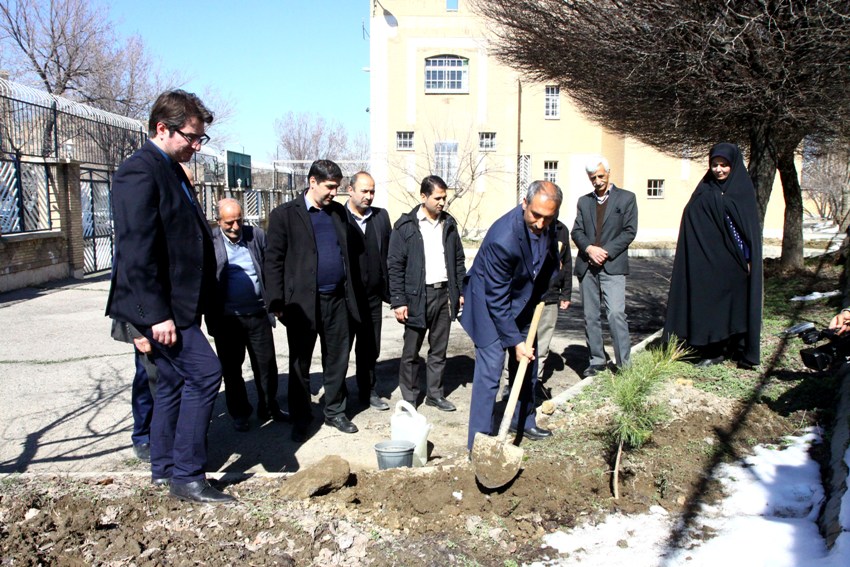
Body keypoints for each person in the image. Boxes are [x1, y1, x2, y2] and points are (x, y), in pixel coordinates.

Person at [105, 90, 233, 503]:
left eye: (201, 139)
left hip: (181, 305)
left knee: (175, 380)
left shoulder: (172, 169)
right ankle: (188, 477)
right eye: (191, 137)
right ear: (163, 128)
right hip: (162, 308)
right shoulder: (139, 171)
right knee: (206, 373)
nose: (196, 146)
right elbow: (136, 251)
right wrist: (155, 315)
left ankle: (163, 467)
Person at [265, 159, 361, 441]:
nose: (335, 192)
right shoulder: (285, 214)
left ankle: (335, 412)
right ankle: (301, 416)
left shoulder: (338, 213)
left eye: (338, 187)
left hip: (337, 300)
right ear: (313, 182)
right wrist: (277, 302)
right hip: (302, 305)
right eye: (330, 187)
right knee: (300, 363)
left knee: (338, 358)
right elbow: (273, 261)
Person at [462, 180, 562, 448]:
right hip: (488, 303)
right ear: (524, 204)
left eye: (548, 218)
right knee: (490, 371)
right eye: (536, 216)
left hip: (525, 299)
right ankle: (479, 442)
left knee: (527, 363)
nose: (541, 224)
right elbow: (496, 298)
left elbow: (548, 258)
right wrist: (514, 341)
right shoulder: (502, 238)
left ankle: (524, 420)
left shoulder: (549, 225)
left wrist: (550, 282)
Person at [663, 143, 763, 368]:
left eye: (724, 165)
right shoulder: (705, 188)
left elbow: (746, 230)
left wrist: (749, 259)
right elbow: (691, 216)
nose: (719, 170)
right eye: (715, 165)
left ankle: (735, 347)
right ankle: (713, 350)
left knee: (734, 307)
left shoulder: (742, 190)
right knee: (710, 306)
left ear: (733, 165)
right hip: (708, 262)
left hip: (734, 264)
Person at [208, 198, 288, 432]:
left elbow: (271, 267)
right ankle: (239, 413)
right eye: (229, 223)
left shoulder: (256, 236)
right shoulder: (211, 242)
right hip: (227, 319)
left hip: (257, 314)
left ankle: (269, 406)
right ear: (218, 221)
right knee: (232, 370)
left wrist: (275, 300)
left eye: (239, 221)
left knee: (266, 366)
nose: (235, 227)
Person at [387, 175, 466, 412]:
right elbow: (395, 265)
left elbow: (459, 261)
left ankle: (435, 394)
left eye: (444, 198)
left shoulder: (449, 224)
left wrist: (460, 291)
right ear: (423, 197)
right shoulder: (406, 226)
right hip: (416, 297)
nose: (442, 202)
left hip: (444, 296)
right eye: (437, 198)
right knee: (411, 351)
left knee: (439, 349)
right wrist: (399, 301)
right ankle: (410, 398)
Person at [571, 155, 638, 377]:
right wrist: (589, 249)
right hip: (587, 266)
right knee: (591, 316)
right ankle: (597, 360)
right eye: (593, 178)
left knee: (616, 313)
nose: (597, 181)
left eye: (600, 176)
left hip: (613, 265)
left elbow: (629, 231)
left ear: (608, 173)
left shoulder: (626, 199)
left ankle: (624, 364)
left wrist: (604, 251)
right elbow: (576, 231)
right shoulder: (584, 201)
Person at [345, 171, 392, 411]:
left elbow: (390, 256)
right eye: (364, 191)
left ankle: (368, 391)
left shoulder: (381, 218)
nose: (369, 196)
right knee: (341, 350)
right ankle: (338, 398)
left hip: (372, 298)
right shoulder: (338, 217)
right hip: (345, 299)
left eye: (372, 191)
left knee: (370, 347)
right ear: (350, 190)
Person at [110, 319, 158, 462]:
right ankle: (142, 436)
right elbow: (128, 297)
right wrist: (136, 333)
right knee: (147, 377)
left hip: (179, 319)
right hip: (145, 320)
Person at [535, 220, 572, 382]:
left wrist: (566, 293)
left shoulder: (561, 229)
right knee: (520, 343)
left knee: (542, 345)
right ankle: (511, 382)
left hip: (550, 295)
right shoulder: (526, 225)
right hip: (526, 296)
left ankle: (535, 381)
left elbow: (567, 262)